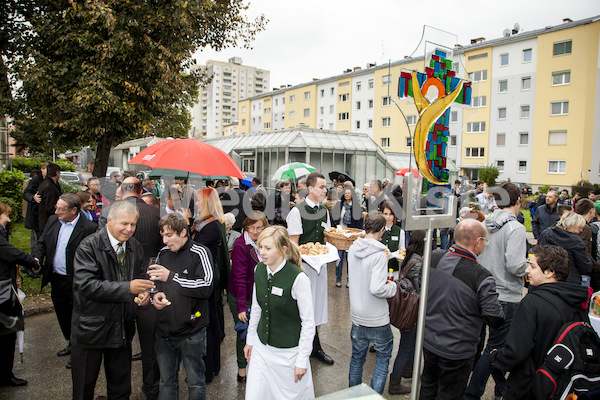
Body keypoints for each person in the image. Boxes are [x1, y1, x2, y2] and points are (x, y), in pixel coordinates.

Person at [71, 200, 155, 400]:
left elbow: (140, 274)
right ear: (109, 221)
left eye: (133, 225)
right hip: (91, 329)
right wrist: (128, 288)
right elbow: (87, 285)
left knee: (120, 389)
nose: (129, 229)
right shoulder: (88, 246)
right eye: (124, 223)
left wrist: (143, 293)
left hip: (122, 329)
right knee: (84, 387)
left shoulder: (134, 246)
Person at [492, 245, 592, 400]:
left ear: (549, 272)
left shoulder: (532, 303)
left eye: (532, 266)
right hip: (562, 383)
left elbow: (517, 350)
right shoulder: (577, 300)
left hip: (530, 384)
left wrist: (497, 357)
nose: (527, 270)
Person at [420, 219, 505, 400]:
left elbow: (421, 286)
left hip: (429, 341)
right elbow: (495, 317)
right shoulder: (481, 276)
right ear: (477, 241)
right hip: (457, 350)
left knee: (428, 388)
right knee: (449, 394)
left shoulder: (433, 257)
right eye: (485, 241)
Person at [465, 182, 528, 400]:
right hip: (505, 295)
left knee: (486, 343)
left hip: (482, 290)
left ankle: (501, 389)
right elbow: (515, 265)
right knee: (494, 348)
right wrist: (530, 266)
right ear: (518, 200)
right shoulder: (516, 229)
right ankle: (472, 393)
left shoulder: (485, 223)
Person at [244, 225, 315, 400]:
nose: (262, 252)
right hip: (262, 349)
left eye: (268, 248)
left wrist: (302, 360)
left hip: (288, 355)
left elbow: (308, 323)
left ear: (283, 249)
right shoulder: (258, 270)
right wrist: (250, 340)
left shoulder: (299, 278)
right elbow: (257, 308)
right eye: (260, 247)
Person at [149, 213, 214, 400]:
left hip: (192, 330)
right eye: (162, 235)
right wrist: (155, 295)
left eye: (169, 235)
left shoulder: (200, 252)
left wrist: (171, 277)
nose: (165, 240)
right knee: (166, 382)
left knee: (195, 381)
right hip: (164, 330)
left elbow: (207, 287)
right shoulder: (162, 253)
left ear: (183, 232)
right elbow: (155, 283)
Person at [31, 193, 97, 369]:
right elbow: (42, 242)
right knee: (62, 313)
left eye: (61, 209)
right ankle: (70, 342)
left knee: (77, 316)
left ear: (74, 210)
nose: (56, 211)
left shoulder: (89, 228)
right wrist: (37, 258)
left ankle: (78, 350)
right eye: (57, 208)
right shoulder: (53, 221)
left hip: (76, 280)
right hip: (56, 277)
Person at [120, 176, 163, 399]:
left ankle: (121, 390)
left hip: (123, 284)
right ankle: (151, 388)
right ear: (140, 190)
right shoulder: (156, 213)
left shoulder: (116, 215)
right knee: (149, 343)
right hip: (151, 281)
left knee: (121, 343)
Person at [287, 172, 334, 365]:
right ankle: (302, 347)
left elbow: (327, 238)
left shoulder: (324, 211)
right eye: (322, 187)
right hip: (304, 267)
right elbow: (293, 244)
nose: (325, 190)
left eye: (325, 187)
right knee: (304, 308)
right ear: (311, 188)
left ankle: (315, 346)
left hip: (320, 265)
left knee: (317, 307)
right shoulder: (297, 211)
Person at [347, 211, 397, 394]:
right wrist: (392, 287)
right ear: (382, 229)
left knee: (357, 359)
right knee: (383, 360)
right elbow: (377, 288)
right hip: (376, 317)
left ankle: (352, 396)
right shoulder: (379, 254)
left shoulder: (353, 248)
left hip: (357, 314)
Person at [0, 202, 39, 387]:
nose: (8, 219)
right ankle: (5, 375)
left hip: (5, 286)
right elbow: (11, 253)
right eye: (6, 215)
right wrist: (33, 262)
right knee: (7, 333)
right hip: (3, 294)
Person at [228, 212, 269, 382]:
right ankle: (242, 369)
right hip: (242, 296)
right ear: (245, 227)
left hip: (258, 295)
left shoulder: (266, 242)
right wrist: (241, 306)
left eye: (259, 227)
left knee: (260, 332)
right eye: (251, 227)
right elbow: (238, 277)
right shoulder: (240, 245)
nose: (255, 231)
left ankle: (258, 365)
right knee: (244, 333)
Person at [192, 187, 226, 382]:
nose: (196, 204)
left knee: (209, 324)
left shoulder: (211, 226)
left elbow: (195, 249)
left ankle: (209, 370)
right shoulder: (204, 222)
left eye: (198, 200)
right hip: (207, 277)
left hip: (208, 280)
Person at [538, 212, 593, 285]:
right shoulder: (576, 241)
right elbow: (585, 266)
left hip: (546, 277)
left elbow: (538, 254)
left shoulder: (547, 233)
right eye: (579, 227)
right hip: (568, 281)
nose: (581, 230)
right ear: (572, 225)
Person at [333, 187, 364, 288]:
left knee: (350, 259)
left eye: (349, 193)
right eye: (345, 193)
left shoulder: (356, 207)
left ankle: (349, 279)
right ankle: (338, 278)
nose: (347, 195)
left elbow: (359, 223)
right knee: (339, 258)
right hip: (340, 235)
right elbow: (334, 218)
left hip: (351, 236)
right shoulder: (339, 205)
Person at [380, 201, 406, 280]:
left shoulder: (400, 231)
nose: (388, 217)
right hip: (379, 269)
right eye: (385, 214)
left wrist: (392, 255)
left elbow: (402, 250)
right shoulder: (378, 230)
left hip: (393, 270)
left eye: (391, 214)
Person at [38, 162, 62, 233]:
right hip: (48, 221)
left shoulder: (46, 183)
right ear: (57, 173)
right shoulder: (50, 186)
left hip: (45, 220)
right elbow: (49, 206)